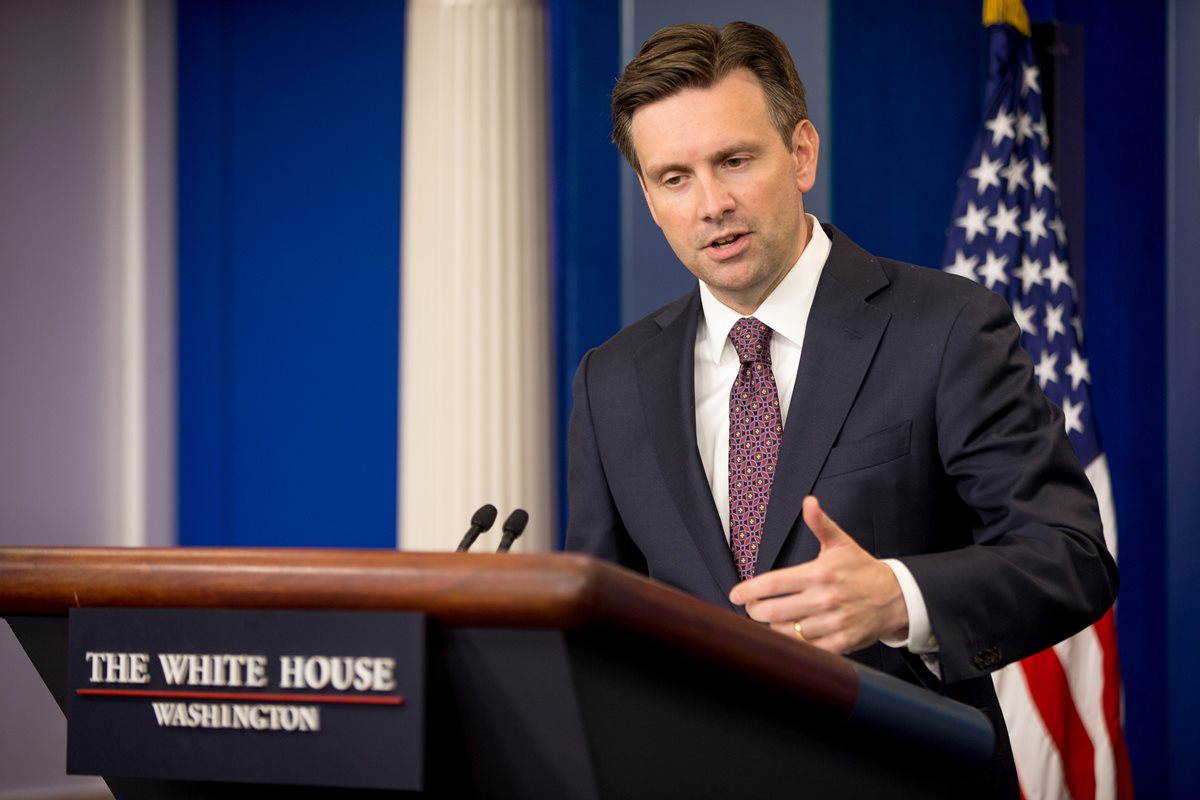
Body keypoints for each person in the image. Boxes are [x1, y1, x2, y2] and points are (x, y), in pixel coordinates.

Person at [565, 20, 1118, 794]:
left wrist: (901, 598)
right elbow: (600, 627)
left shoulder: (949, 327)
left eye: (734, 160)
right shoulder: (610, 379)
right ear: (650, 198)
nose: (711, 204)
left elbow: (1070, 556)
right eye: (674, 177)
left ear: (800, 153)